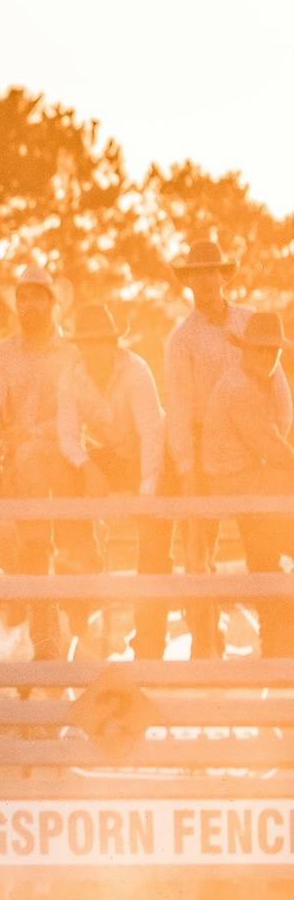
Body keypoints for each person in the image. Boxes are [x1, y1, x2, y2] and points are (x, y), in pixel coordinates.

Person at [162, 240, 293, 658]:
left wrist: (277, 439)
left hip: (256, 448)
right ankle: (206, 642)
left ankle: (274, 640)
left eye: (211, 271)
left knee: (263, 540)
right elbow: (180, 405)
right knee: (200, 551)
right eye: (195, 273)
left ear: (224, 276)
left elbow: (278, 385)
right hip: (209, 445)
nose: (204, 280)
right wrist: (187, 466)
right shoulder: (182, 339)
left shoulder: (252, 323)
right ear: (189, 282)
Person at [0, 264, 89, 659]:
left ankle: (80, 627)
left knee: (79, 549)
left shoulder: (73, 354)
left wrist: (39, 433)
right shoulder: (2, 356)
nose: (30, 305)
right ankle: (46, 647)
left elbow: (78, 410)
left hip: (67, 462)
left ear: (52, 303)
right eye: (24, 298)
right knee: (34, 551)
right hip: (22, 471)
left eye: (38, 297)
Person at [56, 305, 170, 657]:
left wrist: (147, 493)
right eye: (88, 344)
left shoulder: (136, 371)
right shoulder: (71, 377)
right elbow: (68, 436)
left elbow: (152, 434)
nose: (95, 350)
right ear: (80, 347)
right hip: (106, 454)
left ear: (114, 343)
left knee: (154, 545)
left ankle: (150, 642)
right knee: (66, 482)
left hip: (150, 457)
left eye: (102, 342)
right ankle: (82, 592)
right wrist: (88, 467)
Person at [200, 312, 294, 658]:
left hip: (247, 479)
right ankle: (278, 631)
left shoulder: (254, 382)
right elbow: (270, 446)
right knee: (269, 539)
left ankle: (277, 635)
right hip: (234, 481)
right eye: (261, 350)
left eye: (273, 351)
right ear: (245, 351)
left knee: (262, 548)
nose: (268, 357)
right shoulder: (241, 389)